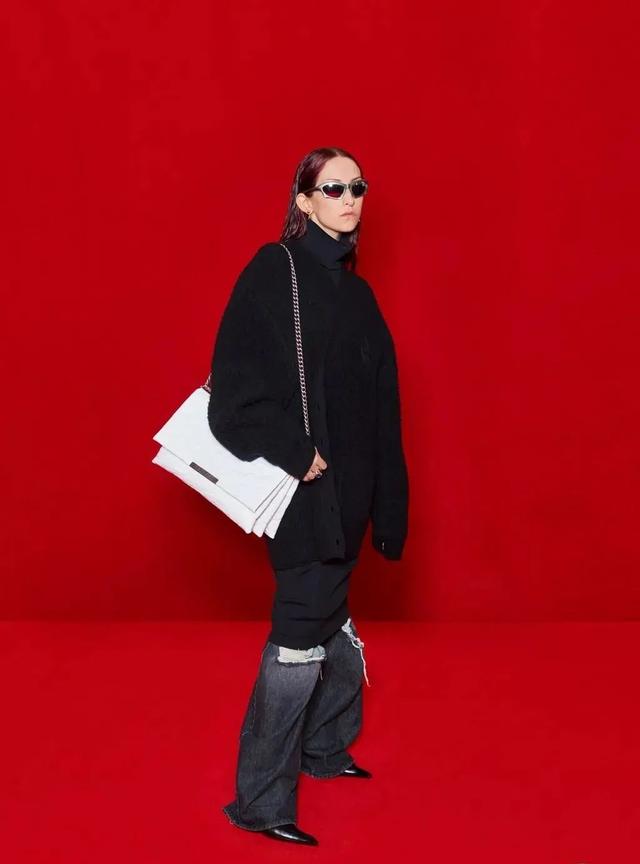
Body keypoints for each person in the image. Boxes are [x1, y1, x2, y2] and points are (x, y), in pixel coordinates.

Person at [207, 146, 409, 845]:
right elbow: (231, 399)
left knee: (332, 617)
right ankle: (261, 802)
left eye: (358, 187)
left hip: (350, 502)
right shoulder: (276, 271)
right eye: (333, 188)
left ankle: (324, 747)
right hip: (302, 496)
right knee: (299, 634)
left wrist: (389, 507)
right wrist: (297, 452)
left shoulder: (358, 295)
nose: (350, 199)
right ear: (303, 201)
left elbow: (384, 408)